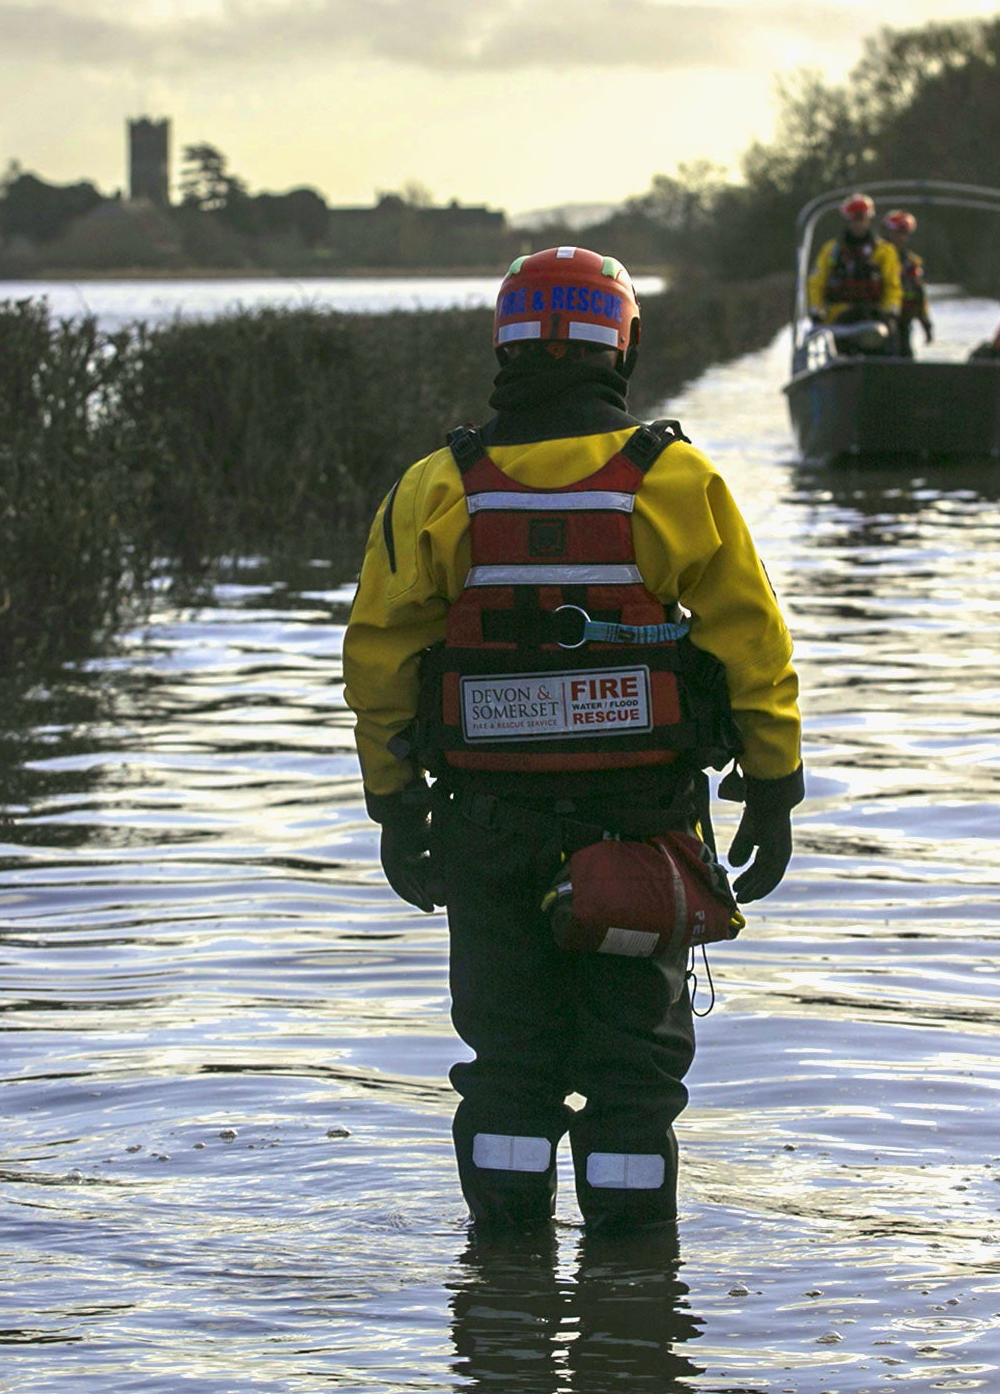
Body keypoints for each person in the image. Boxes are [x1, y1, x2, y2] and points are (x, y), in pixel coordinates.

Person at [342, 245, 804, 1236]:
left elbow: (378, 661)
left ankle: (500, 1299)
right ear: (623, 342)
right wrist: (772, 788)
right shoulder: (677, 481)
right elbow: (752, 645)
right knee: (632, 1078)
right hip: (640, 844)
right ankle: (634, 1314)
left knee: (507, 1068)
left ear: (503, 343)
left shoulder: (434, 488)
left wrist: (394, 809)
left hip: (485, 832)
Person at [805, 192, 903, 353]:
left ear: (869, 219)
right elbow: (816, 282)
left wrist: (889, 314)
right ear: (847, 219)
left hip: (873, 317)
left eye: (862, 219)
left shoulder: (884, 252)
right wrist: (817, 312)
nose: (858, 224)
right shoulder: (831, 251)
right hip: (839, 319)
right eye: (854, 219)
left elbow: (893, 286)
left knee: (889, 345)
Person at [881, 209, 933, 358]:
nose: (901, 238)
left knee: (905, 358)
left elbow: (920, 296)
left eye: (905, 233)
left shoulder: (913, 263)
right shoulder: (877, 256)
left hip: (904, 323)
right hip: (879, 321)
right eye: (897, 233)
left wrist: (926, 325)